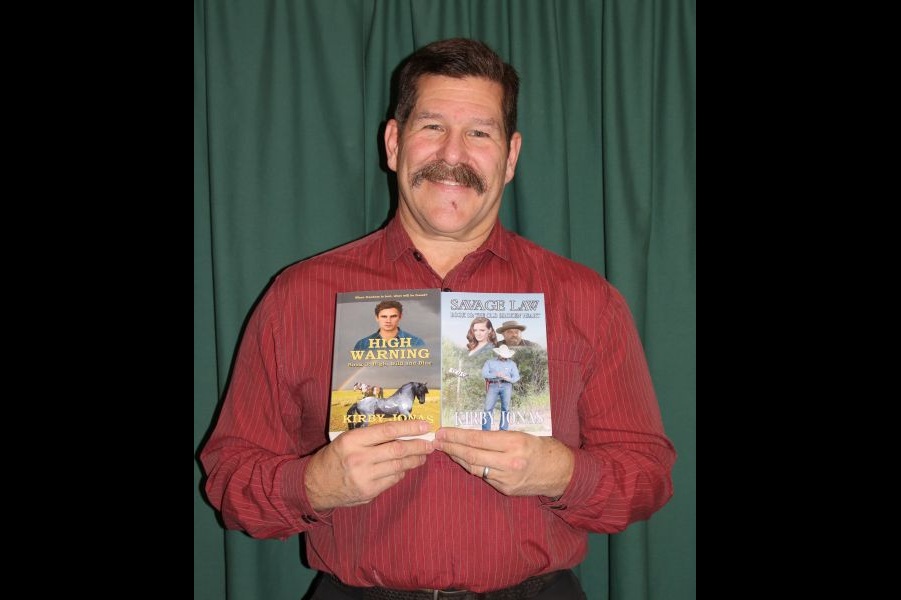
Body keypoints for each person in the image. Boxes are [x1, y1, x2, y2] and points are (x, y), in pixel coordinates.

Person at [201, 38, 675, 599]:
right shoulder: (298, 297)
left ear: (511, 156)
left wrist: (564, 475)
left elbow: (648, 476)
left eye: (479, 133)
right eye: (432, 127)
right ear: (393, 143)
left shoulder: (587, 300)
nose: (453, 154)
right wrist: (311, 485)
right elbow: (229, 478)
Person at [352, 299, 425, 351]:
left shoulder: (416, 343)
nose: (388, 321)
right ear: (377, 318)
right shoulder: (362, 344)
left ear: (400, 317)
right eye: (384, 316)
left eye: (393, 316)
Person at [481, 344, 520, 431]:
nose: (504, 357)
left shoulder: (512, 364)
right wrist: (496, 374)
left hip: (507, 386)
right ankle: (485, 431)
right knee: (487, 408)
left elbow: (516, 377)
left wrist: (508, 378)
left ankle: (503, 430)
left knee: (506, 408)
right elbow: (484, 374)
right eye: (503, 355)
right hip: (493, 385)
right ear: (499, 353)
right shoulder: (489, 362)